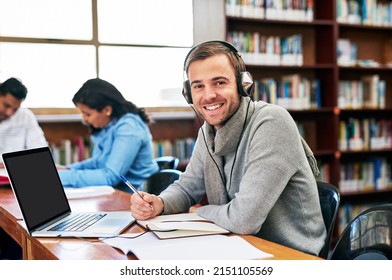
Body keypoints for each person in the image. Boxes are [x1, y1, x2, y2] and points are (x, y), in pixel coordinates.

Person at [130, 41, 327, 256]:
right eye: (198, 86)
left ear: (243, 85)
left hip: (291, 257)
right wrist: (159, 202)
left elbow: (244, 220)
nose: (208, 95)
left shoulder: (272, 122)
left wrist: (200, 212)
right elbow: (187, 188)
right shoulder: (208, 132)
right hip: (236, 247)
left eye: (219, 82)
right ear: (188, 93)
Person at [58, 78, 159, 191]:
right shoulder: (109, 125)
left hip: (136, 195)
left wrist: (59, 177)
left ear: (107, 110)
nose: (84, 119)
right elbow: (98, 161)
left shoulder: (129, 127)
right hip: (116, 193)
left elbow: (110, 176)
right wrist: (67, 169)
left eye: (87, 114)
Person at [0, 77, 47, 168]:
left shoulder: (26, 116)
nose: (10, 113)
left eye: (15, 109)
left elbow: (40, 153)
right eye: (6, 105)